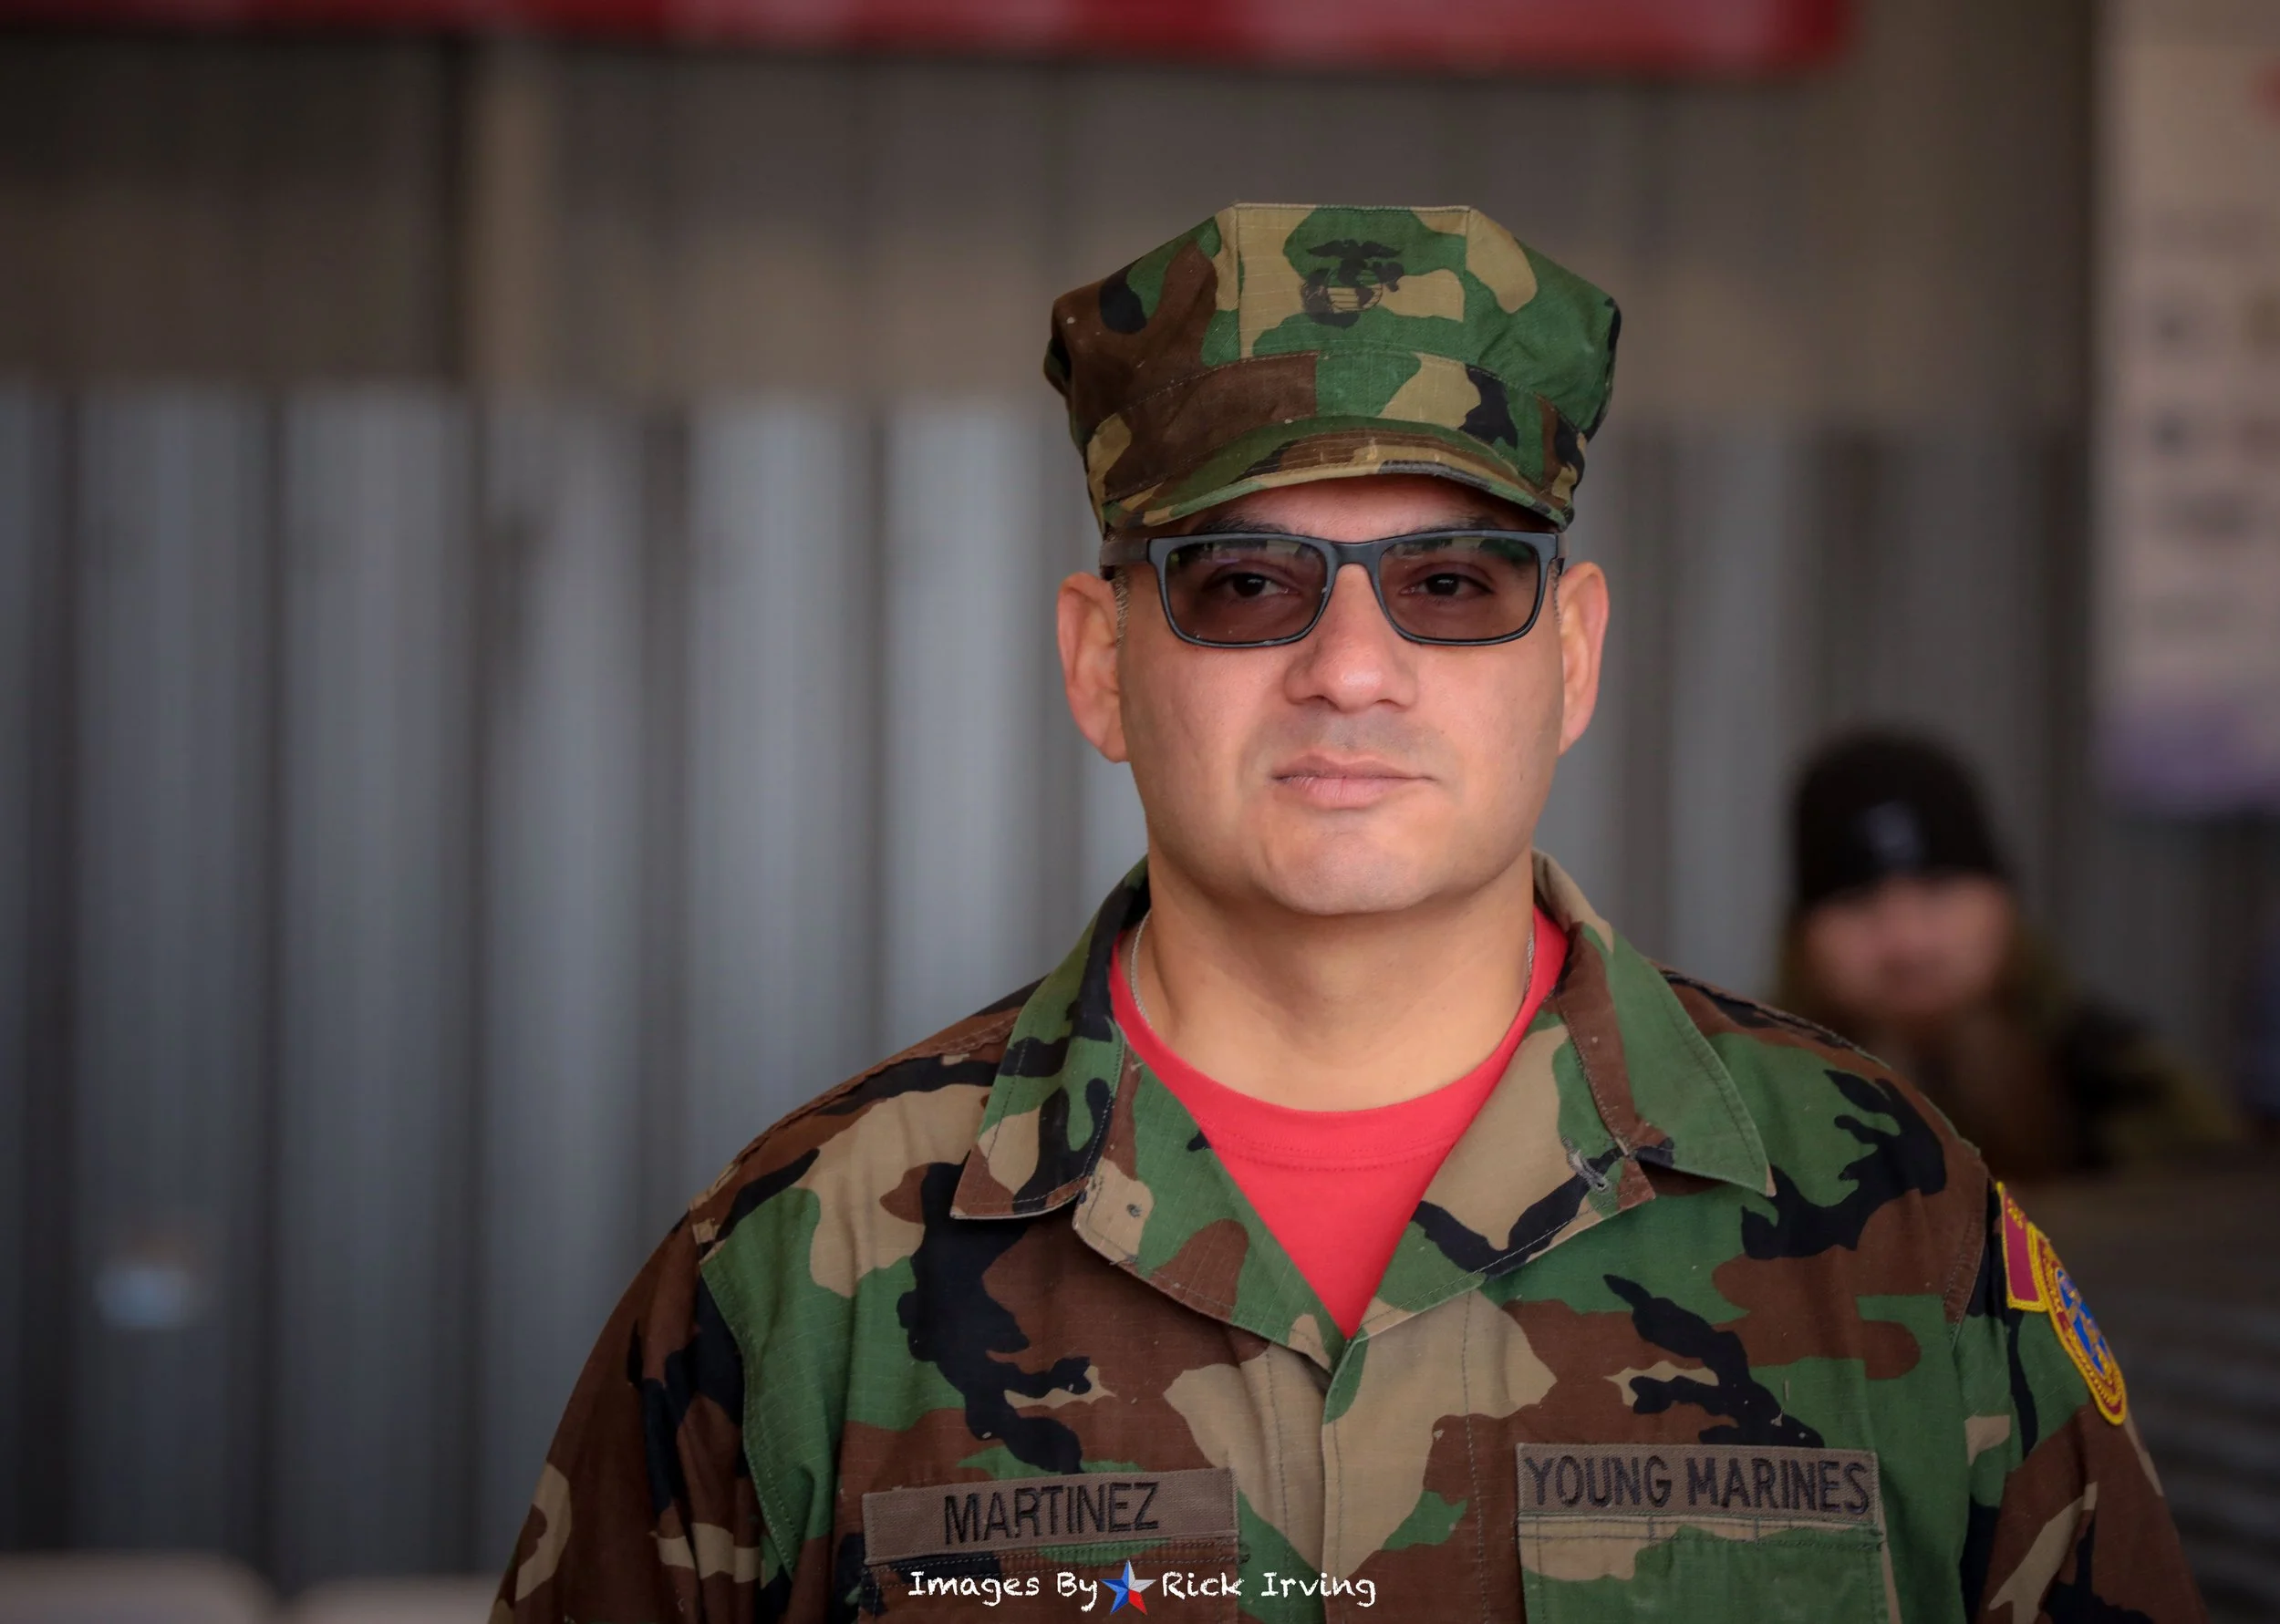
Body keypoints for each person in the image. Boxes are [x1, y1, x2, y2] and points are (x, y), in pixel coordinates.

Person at [494, 205, 2201, 1622]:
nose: (1355, 670)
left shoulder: (1891, 1222)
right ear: (1104, 662)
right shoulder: (808, 1275)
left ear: (1576, 653)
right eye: (1246, 584)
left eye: (1454, 583)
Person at [1777, 730, 2237, 1184]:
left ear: (2005, 905)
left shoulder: (2128, 1088)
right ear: (1801, 937)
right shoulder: (1742, 1105)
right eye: (1858, 904)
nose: (1909, 945)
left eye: (1940, 892)